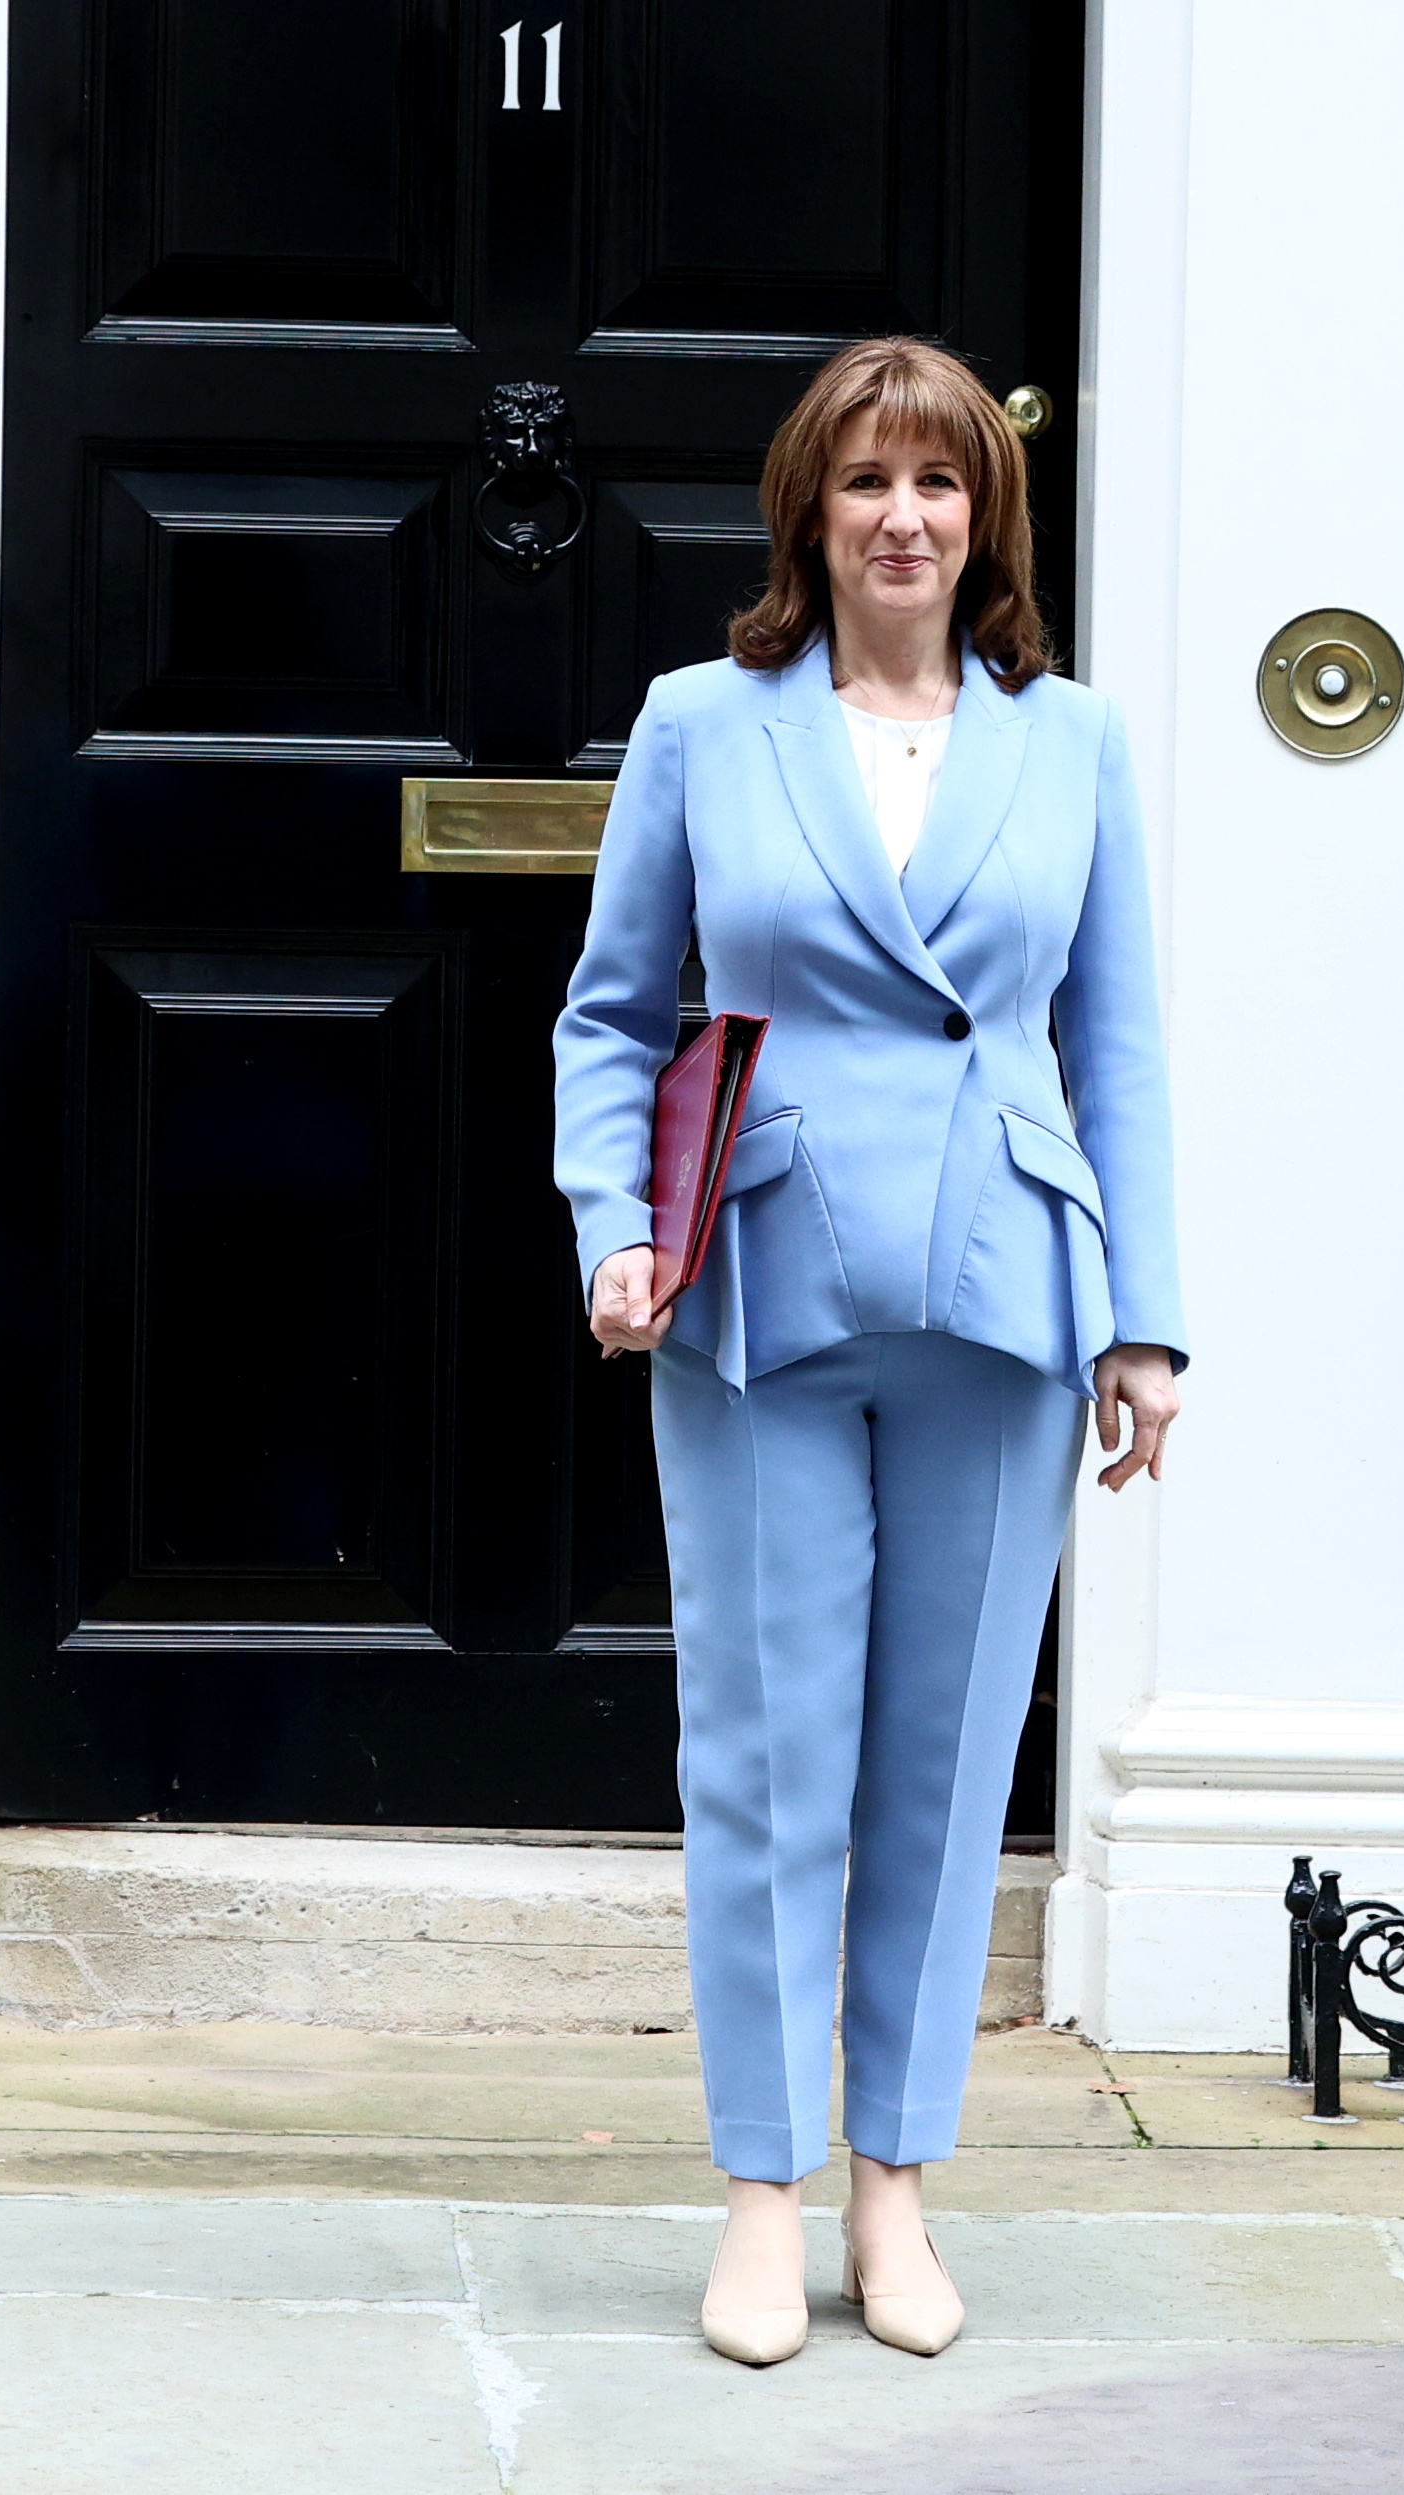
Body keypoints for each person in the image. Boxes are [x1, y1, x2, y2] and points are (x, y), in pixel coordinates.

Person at [552, 335, 1185, 2367]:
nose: (903, 518)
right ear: (806, 516)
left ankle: (892, 2192)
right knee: (760, 1761)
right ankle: (760, 2191)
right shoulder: (700, 725)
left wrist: (1145, 1323)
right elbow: (609, 1016)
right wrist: (615, 1230)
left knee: (941, 1765)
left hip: (1005, 1293)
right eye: (865, 485)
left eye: (939, 483)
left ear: (985, 514)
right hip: (759, 1293)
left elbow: (1120, 1045)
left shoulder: (1068, 739)